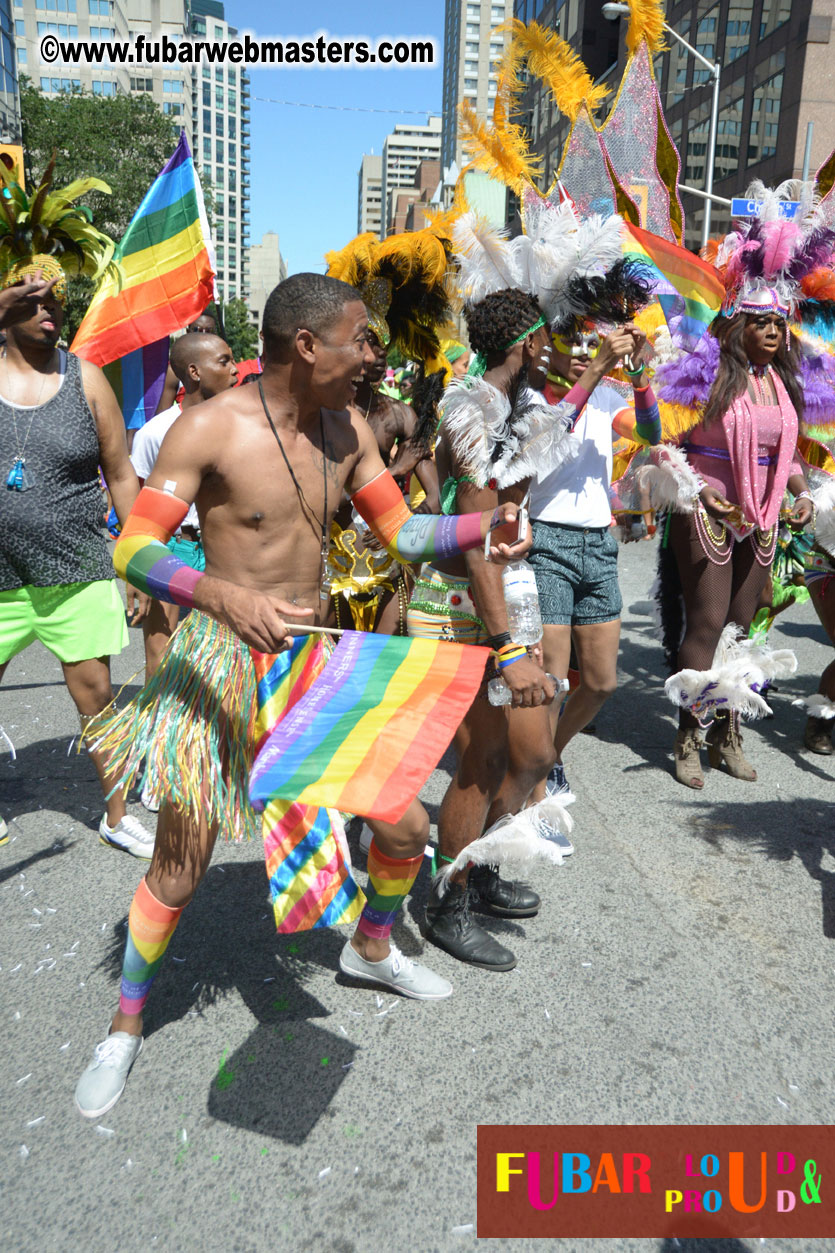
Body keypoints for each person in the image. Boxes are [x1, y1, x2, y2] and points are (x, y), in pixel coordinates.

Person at [74, 273, 524, 1118]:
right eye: (359, 340)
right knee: (180, 862)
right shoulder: (209, 427)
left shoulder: (348, 428)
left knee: (403, 823)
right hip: (220, 659)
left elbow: (404, 534)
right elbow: (133, 547)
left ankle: (371, 946)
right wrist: (220, 594)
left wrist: (479, 528)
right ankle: (125, 1022)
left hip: (313, 660)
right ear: (308, 345)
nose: (372, 355)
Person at [651, 185, 835, 786]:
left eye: (778, 324)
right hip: (705, 510)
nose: (774, 332)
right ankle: (688, 737)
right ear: (736, 329)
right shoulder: (703, 377)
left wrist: (802, 494)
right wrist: (699, 490)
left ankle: (728, 731)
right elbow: (663, 444)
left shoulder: (781, 387)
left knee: (740, 623)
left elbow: (788, 451)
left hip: (763, 516)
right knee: (704, 623)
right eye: (760, 323)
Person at [0, 266, 154, 857]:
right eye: (31, 301)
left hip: (76, 565)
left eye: (55, 302)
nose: (49, 311)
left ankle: (116, 815)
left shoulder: (85, 378)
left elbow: (121, 474)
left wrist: (137, 562)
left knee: (96, 696)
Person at [529, 323, 661, 801]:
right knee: (553, 681)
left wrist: (641, 374)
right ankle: (535, 784)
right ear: (549, 348)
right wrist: (602, 367)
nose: (586, 353)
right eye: (575, 345)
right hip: (547, 542)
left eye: (594, 345)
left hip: (598, 545)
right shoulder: (534, 399)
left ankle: (548, 754)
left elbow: (650, 431)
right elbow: (551, 433)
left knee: (602, 681)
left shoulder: (606, 398)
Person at [128, 332, 238, 681]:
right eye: (224, 361)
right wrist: (139, 567)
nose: (236, 370)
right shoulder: (154, 433)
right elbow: (139, 504)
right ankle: (160, 728)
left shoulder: (242, 427)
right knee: (161, 652)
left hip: (225, 550)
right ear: (194, 372)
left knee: (224, 650)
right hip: (174, 547)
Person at [153, 309, 218, 416]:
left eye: (209, 331)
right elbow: (161, 417)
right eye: (197, 330)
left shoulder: (224, 368)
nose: (203, 335)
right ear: (188, 332)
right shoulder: (175, 371)